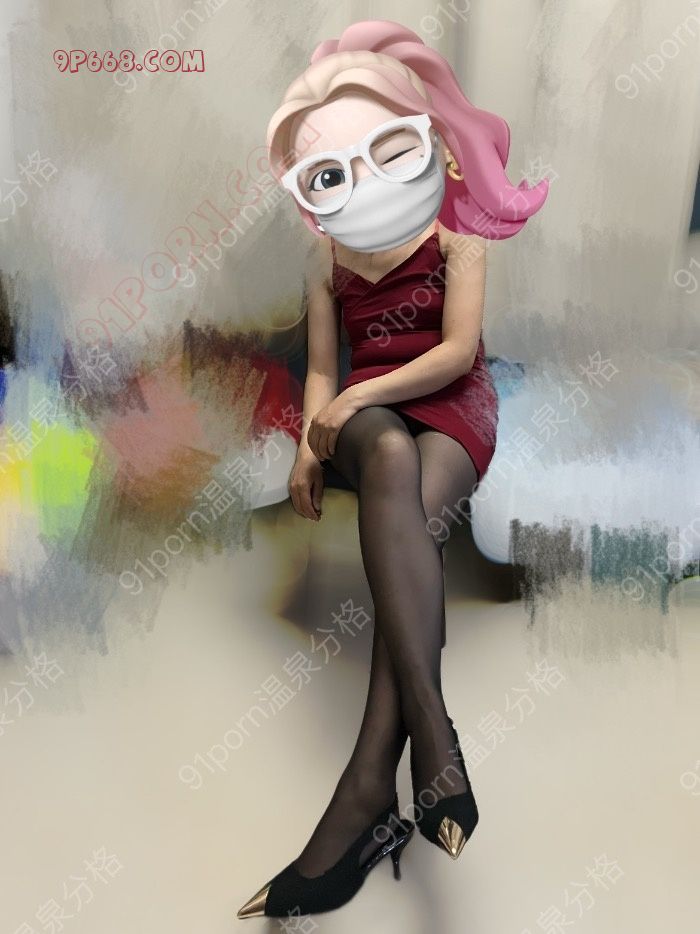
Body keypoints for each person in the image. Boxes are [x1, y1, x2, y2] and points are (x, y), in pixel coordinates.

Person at [238, 19, 548, 919]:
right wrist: (311, 438)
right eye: (331, 169)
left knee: (405, 499)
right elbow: (324, 372)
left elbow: (455, 354)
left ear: (432, 147)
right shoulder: (327, 253)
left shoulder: (458, 237)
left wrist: (348, 401)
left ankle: (371, 791)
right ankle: (431, 743)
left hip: (452, 405)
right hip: (370, 420)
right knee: (382, 452)